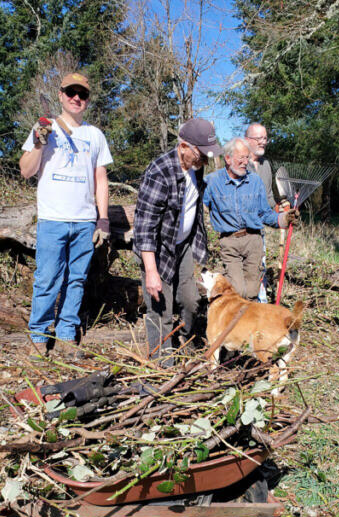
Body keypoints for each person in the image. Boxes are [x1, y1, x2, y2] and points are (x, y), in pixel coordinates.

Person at [19, 72, 113, 353]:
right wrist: (38, 142)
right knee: (47, 279)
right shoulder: (44, 127)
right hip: (52, 219)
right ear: (60, 95)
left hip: (84, 222)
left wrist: (103, 218)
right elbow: (26, 171)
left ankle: (66, 334)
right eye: (71, 92)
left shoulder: (95, 135)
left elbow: (101, 179)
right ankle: (38, 336)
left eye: (82, 94)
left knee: (76, 280)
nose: (76, 98)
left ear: (87, 100)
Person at [133, 118, 221, 362]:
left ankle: (183, 340)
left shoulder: (196, 166)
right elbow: (144, 228)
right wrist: (151, 272)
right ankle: (163, 364)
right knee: (160, 307)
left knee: (191, 301)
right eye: (201, 153)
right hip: (158, 250)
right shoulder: (159, 172)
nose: (205, 160)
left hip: (181, 247)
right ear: (183, 146)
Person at [203, 137, 299, 299]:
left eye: (247, 157)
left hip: (254, 241)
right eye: (241, 157)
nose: (245, 162)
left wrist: (284, 219)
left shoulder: (254, 181)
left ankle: (248, 323)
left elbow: (264, 214)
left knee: (253, 292)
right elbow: (196, 208)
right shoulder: (212, 182)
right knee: (237, 291)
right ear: (227, 158)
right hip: (230, 242)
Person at [246, 122, 290, 302]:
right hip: (240, 231)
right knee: (244, 276)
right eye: (259, 138)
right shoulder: (238, 163)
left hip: (259, 229)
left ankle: (260, 310)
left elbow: (269, 196)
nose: (264, 142)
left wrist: (282, 210)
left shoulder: (265, 165)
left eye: (265, 138)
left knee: (259, 270)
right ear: (248, 140)